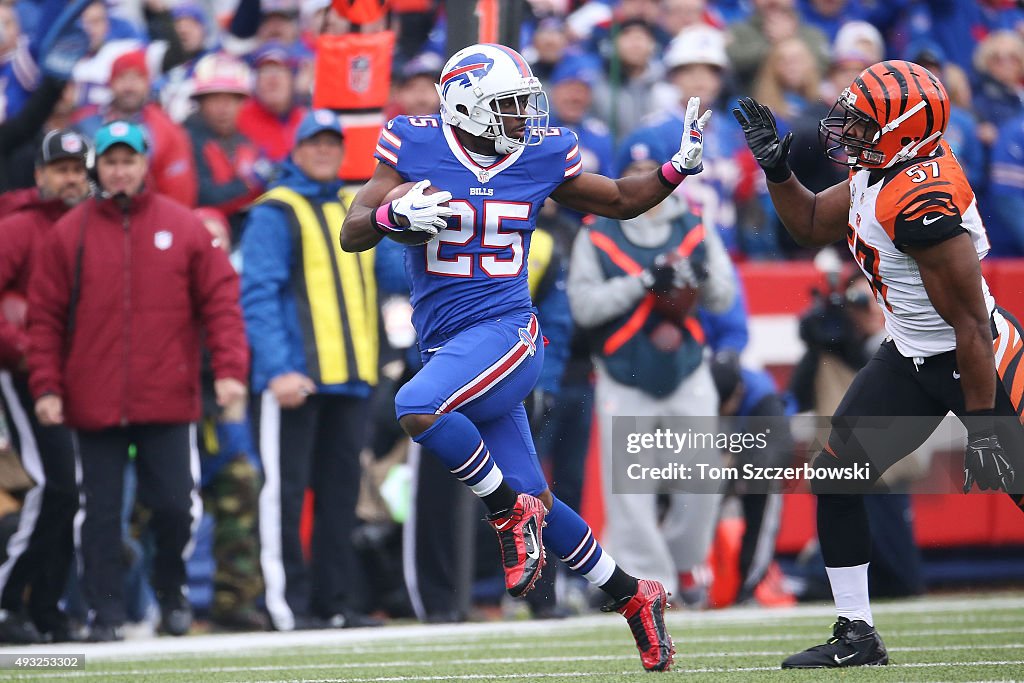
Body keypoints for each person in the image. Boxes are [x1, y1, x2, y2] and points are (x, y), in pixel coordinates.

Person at [341, 43, 713, 672]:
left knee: (417, 406)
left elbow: (620, 198)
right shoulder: (414, 143)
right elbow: (354, 230)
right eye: (510, 106)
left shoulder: (538, 154)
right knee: (536, 498)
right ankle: (633, 596)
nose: (523, 118)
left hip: (509, 333)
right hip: (449, 343)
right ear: (467, 106)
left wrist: (677, 168)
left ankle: (504, 514)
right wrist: (392, 211)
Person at [732, 60, 1024, 669]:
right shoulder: (881, 169)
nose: (846, 129)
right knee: (836, 475)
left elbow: (969, 323)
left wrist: (986, 429)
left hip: (978, 359)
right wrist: (779, 171)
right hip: (913, 356)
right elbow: (812, 222)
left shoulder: (922, 199)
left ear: (906, 127)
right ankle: (857, 634)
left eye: (864, 120)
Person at [27, 120, 248, 642]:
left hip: (168, 397)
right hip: (93, 401)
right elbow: (45, 319)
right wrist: (47, 387)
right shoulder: (69, 233)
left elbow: (221, 305)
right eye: (110, 161)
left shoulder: (184, 226)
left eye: (129, 160)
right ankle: (105, 614)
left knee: (175, 506)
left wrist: (231, 373)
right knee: (100, 515)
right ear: (96, 168)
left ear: (145, 164)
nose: (120, 170)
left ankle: (171, 593)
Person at [241, 109, 383, 632]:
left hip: (352, 378)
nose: (324, 151)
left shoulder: (356, 205)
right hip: (296, 381)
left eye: (332, 143)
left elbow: (390, 273)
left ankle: (336, 603)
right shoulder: (274, 211)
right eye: (314, 143)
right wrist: (277, 370)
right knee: (283, 493)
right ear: (295, 150)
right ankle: (286, 605)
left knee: (341, 496)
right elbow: (257, 294)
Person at [0, 130, 91, 643]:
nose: (71, 178)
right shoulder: (18, 229)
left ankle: (47, 610)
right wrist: (27, 349)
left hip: (78, 375)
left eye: (78, 168)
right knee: (53, 484)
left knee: (72, 493)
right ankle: (8, 599)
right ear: (39, 175)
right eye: (60, 169)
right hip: (25, 373)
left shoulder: (91, 225)